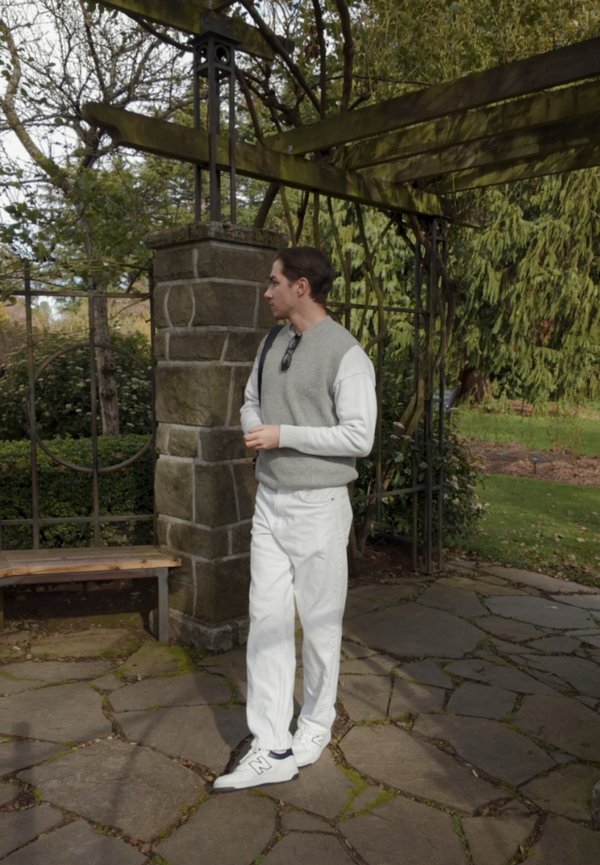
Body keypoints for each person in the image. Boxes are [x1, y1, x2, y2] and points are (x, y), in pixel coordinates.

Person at [213, 246, 377, 792]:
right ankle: (271, 743)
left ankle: (315, 724)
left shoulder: (346, 354)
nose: (267, 291)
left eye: (274, 282)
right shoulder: (272, 340)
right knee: (267, 621)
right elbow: (251, 398)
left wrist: (284, 435)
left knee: (321, 624)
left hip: (320, 507)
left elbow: (360, 436)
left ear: (302, 287)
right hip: (271, 501)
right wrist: (257, 423)